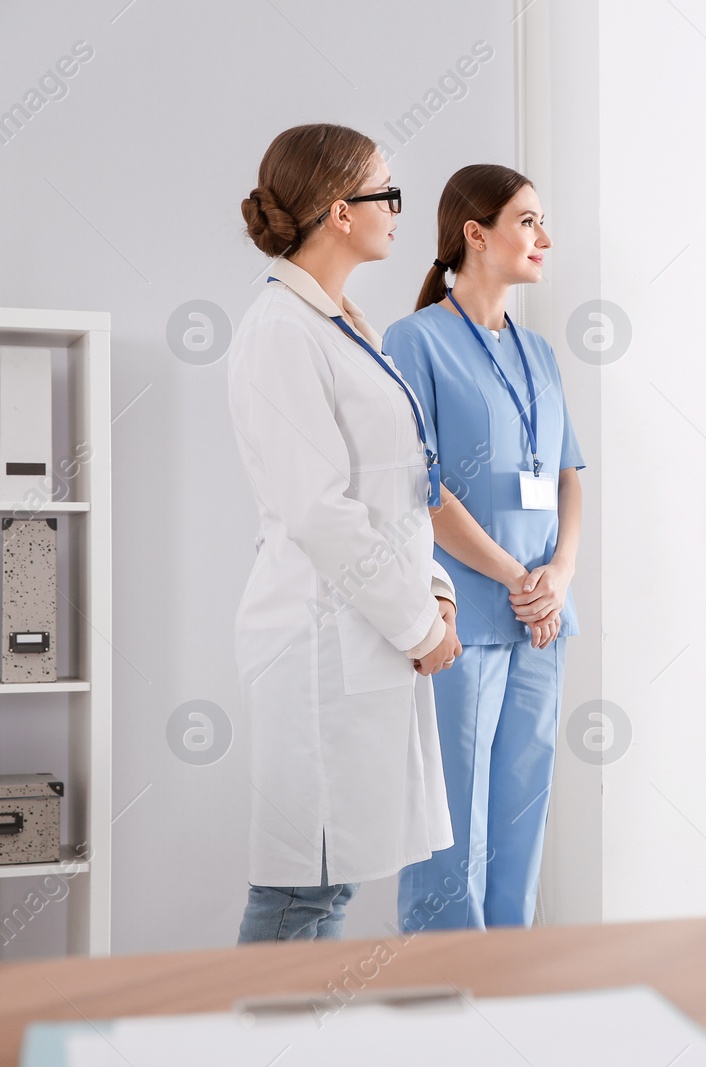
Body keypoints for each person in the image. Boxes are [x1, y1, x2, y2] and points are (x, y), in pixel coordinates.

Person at [231, 123, 462, 941]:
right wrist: (417, 622)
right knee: (303, 890)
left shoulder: (338, 323)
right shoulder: (279, 331)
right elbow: (319, 508)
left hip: (364, 635)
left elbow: (399, 485)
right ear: (339, 211)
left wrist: (435, 592)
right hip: (320, 646)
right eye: (387, 195)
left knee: (327, 887)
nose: (399, 211)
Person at [384, 164, 584, 931]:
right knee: (450, 828)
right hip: (461, 622)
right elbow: (422, 489)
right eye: (528, 220)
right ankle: (444, 1007)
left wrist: (558, 576)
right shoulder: (415, 340)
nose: (544, 237)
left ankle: (509, 993)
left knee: (520, 824)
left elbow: (568, 475)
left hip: (541, 622)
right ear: (475, 232)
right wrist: (515, 578)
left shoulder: (539, 352)